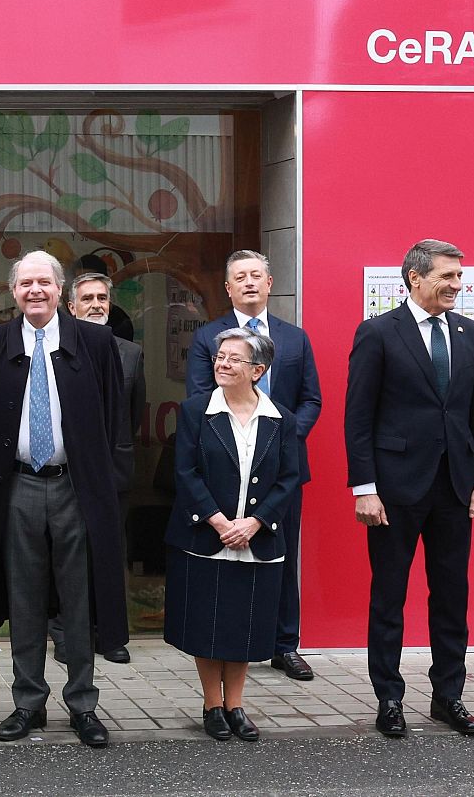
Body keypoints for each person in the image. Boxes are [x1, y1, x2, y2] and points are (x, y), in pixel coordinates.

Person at [0, 251, 126, 749]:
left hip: (74, 487)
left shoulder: (96, 344)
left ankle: (82, 702)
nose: (35, 291)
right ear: (13, 291)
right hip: (17, 485)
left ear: (60, 290)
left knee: (79, 596)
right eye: (25, 283)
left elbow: (114, 419)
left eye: (44, 282)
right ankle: (28, 702)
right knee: (24, 594)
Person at [345, 238, 474, 738]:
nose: (457, 285)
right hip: (393, 489)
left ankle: (447, 696)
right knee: (389, 595)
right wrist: (364, 487)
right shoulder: (378, 332)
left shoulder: (471, 333)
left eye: (459, 276)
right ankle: (389, 698)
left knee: (452, 595)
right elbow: (358, 416)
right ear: (414, 277)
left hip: (455, 486)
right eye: (447, 276)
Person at [184, 250, 322, 680]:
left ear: (269, 282)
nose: (248, 282)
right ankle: (225, 641)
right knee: (222, 558)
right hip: (224, 468)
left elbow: (311, 399)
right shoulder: (210, 339)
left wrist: (280, 439)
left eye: (256, 276)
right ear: (228, 288)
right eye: (239, 277)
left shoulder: (295, 338)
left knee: (279, 554)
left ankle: (284, 644)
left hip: (283, 470)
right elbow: (200, 401)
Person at [166, 327, 300, 741]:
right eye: (219, 356)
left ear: (257, 370)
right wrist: (220, 521)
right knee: (207, 624)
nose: (222, 363)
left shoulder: (282, 419)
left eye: (233, 359)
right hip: (206, 537)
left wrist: (255, 523)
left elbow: (291, 478)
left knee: (243, 624)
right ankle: (211, 705)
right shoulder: (195, 411)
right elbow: (185, 473)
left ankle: (236, 705)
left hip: (256, 541)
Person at [66, 270, 146, 664]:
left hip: (113, 469)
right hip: (65, 471)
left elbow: (134, 415)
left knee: (110, 552)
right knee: (66, 552)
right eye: (87, 298)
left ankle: (110, 634)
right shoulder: (57, 349)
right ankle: (67, 631)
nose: (96, 304)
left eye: (102, 298)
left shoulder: (130, 353)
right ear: (71, 306)